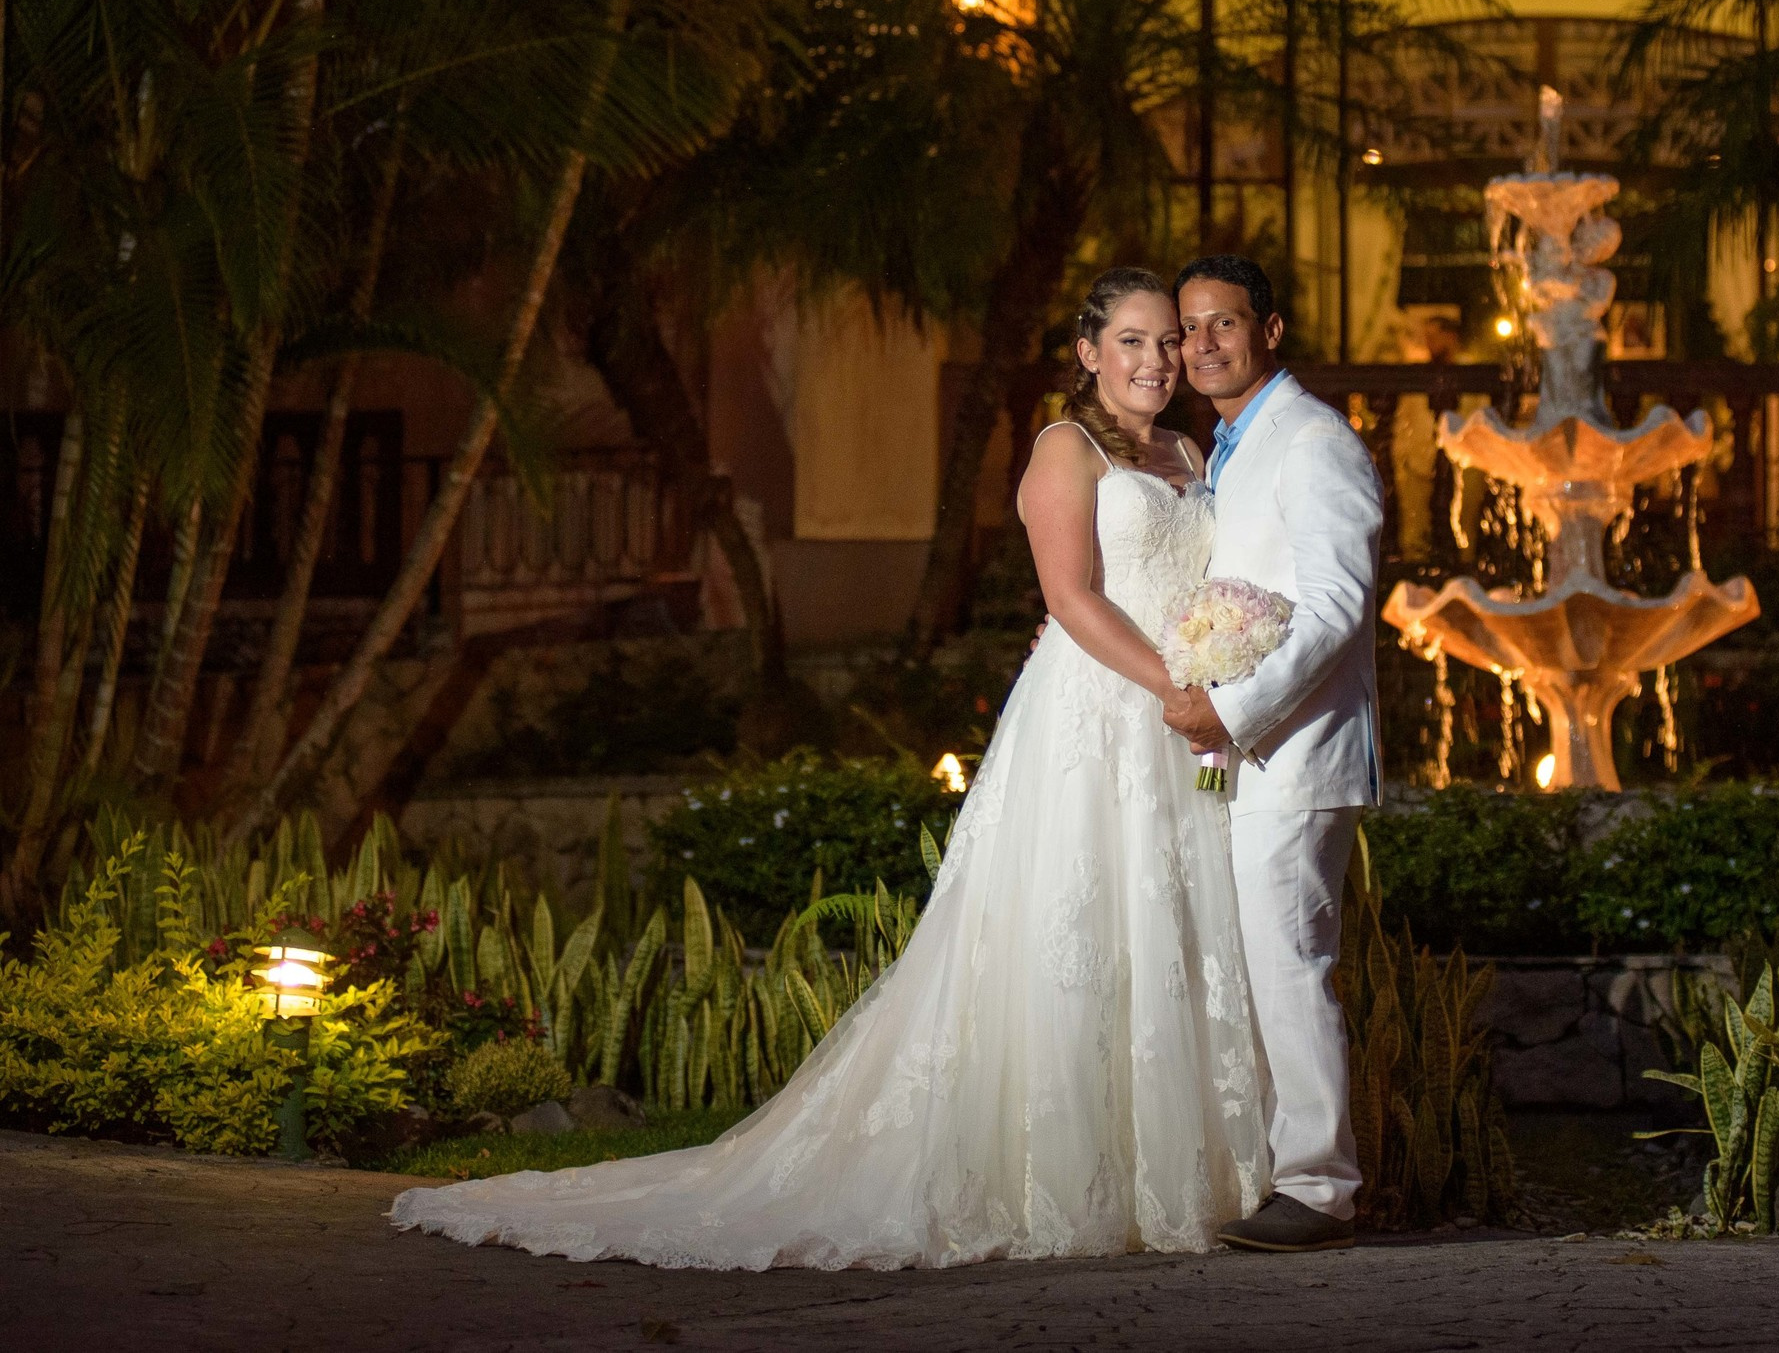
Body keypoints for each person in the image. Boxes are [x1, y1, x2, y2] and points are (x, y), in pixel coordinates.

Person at [389, 269, 1270, 1270]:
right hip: (1102, 713)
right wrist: (1175, 684)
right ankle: (1053, 1174)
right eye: (1133, 341)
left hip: (1176, 721)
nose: (1155, 360)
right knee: (1071, 929)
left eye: (1166, 343)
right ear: (1087, 350)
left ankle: (1175, 1168)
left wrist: (1216, 672)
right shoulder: (1061, 451)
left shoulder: (1189, 449)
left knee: (1166, 927)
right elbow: (1069, 597)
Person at [1166, 254, 1384, 1254]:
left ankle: (1320, 1187)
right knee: (1260, 961)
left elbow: (1339, 601)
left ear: (1272, 328)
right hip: (1247, 754)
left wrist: (1236, 706)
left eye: (1224, 322)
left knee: (1291, 960)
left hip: (1295, 752)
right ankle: (1281, 1170)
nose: (1203, 343)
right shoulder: (1231, 444)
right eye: (1190, 328)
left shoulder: (1314, 440)